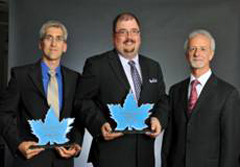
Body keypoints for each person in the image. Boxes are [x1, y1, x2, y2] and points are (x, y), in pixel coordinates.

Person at [75, 12, 168, 167]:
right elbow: (81, 101)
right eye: (122, 32)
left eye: (133, 31)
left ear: (140, 36)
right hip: (110, 156)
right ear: (114, 37)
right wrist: (99, 124)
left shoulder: (153, 67)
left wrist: (159, 119)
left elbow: (162, 100)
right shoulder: (97, 65)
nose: (129, 37)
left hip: (144, 156)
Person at [0, 20, 84, 167]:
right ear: (40, 44)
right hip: (30, 160)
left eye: (59, 39)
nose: (53, 43)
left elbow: (79, 116)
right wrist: (18, 144)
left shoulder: (75, 78)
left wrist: (76, 144)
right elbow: (4, 114)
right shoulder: (21, 76)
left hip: (63, 160)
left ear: (64, 47)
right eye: (48, 37)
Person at [162, 29, 240, 167]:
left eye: (203, 49)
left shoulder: (228, 94)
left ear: (211, 54)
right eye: (193, 49)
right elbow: (169, 140)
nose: (197, 54)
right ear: (187, 55)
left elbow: (231, 147)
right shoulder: (175, 91)